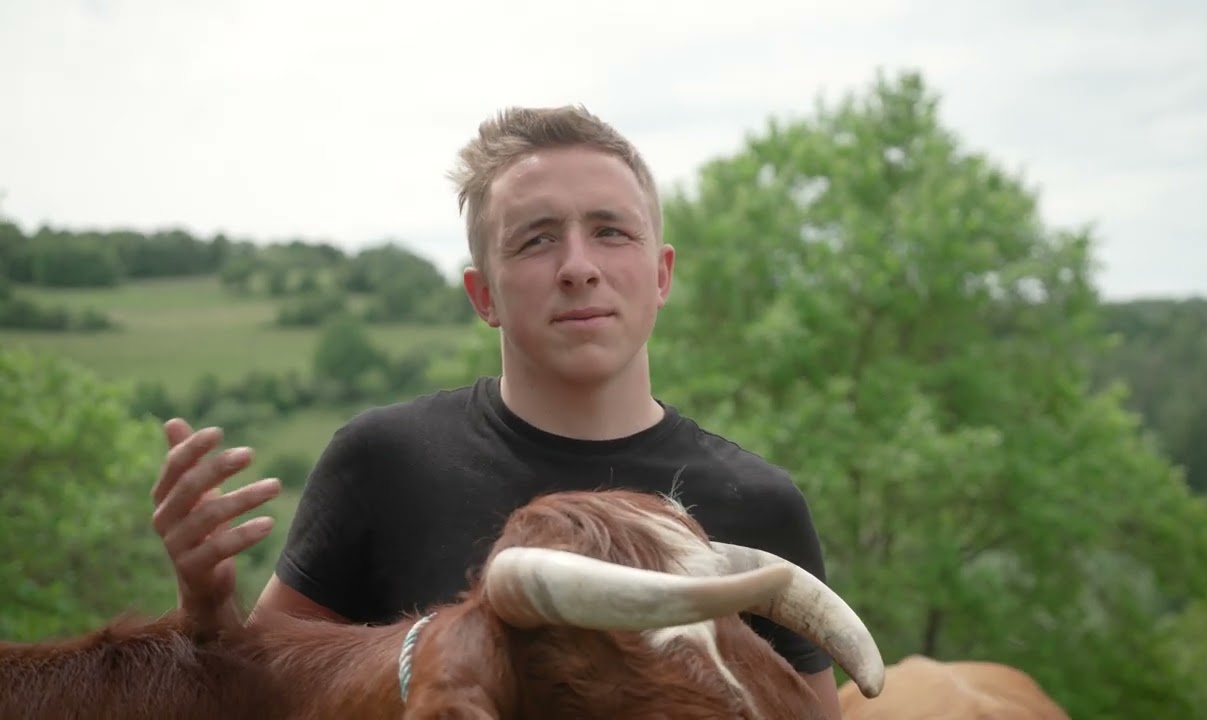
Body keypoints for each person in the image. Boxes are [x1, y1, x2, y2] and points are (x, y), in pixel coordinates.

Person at [149, 105, 843, 718]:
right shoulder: (386, 461)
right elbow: (268, 691)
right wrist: (207, 612)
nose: (578, 266)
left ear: (661, 274)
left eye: (610, 231)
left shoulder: (759, 503)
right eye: (536, 238)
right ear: (483, 296)